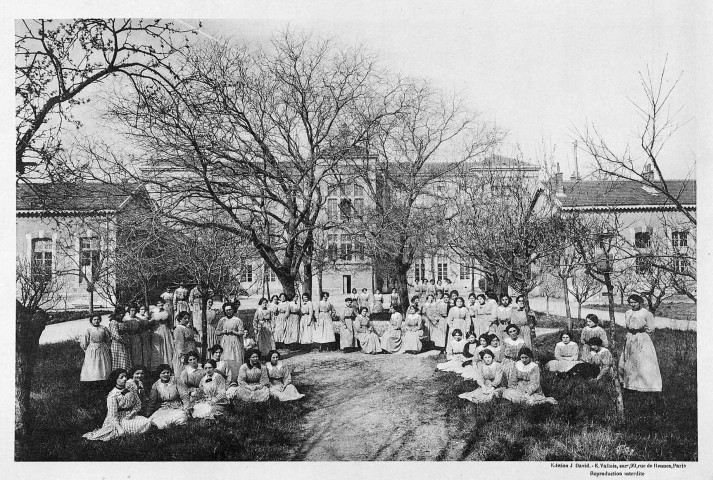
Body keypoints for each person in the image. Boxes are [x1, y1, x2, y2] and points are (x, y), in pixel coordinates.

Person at [83, 369, 152, 441]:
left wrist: (132, 413)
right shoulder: (113, 395)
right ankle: (125, 431)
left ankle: (131, 430)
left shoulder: (130, 388)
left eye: (125, 376)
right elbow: (112, 416)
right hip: (119, 419)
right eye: (121, 377)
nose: (125, 379)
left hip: (131, 415)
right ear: (115, 379)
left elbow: (138, 404)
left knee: (147, 421)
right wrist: (119, 428)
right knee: (138, 425)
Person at [619, 294, 662, 396]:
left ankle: (645, 385)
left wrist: (640, 333)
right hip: (630, 337)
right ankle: (630, 385)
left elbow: (650, 328)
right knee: (629, 361)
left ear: (640, 302)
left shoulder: (646, 313)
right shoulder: (628, 313)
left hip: (641, 338)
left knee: (643, 361)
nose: (633, 304)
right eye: (631, 302)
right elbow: (627, 325)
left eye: (635, 302)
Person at [79, 314, 112, 406]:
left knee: (103, 365)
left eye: (98, 319)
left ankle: (103, 381)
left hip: (102, 348)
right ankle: (93, 381)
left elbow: (108, 339)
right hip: (92, 350)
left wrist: (107, 347)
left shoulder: (104, 328)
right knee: (92, 366)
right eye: (94, 319)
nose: (96, 321)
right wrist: (87, 350)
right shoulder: (88, 330)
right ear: (91, 321)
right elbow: (84, 342)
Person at [147, 364, 189, 429]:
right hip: (163, 407)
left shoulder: (176, 381)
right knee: (158, 422)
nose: (166, 374)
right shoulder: (156, 385)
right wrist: (148, 413)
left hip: (177, 406)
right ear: (159, 374)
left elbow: (184, 395)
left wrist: (186, 408)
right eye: (163, 373)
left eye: (167, 372)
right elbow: (152, 401)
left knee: (180, 418)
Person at [217, 301, 245, 374]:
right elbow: (217, 332)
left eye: (230, 310)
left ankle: (235, 375)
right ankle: (226, 374)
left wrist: (233, 332)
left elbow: (241, 332)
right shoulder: (222, 320)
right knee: (226, 357)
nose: (228, 312)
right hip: (225, 341)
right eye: (226, 310)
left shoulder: (237, 320)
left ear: (233, 310)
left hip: (234, 341)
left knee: (235, 357)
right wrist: (223, 331)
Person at [173, 312, 196, 377]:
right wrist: (182, 356)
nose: (187, 320)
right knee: (182, 372)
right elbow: (179, 343)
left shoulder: (187, 328)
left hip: (190, 352)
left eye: (188, 318)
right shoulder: (179, 329)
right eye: (185, 318)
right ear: (180, 319)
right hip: (183, 354)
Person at [151, 299, 174, 365]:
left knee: (167, 346)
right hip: (156, 330)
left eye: (161, 303)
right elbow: (150, 323)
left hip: (165, 330)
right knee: (158, 348)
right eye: (158, 303)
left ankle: (167, 363)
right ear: (156, 304)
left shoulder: (167, 312)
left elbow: (170, 323)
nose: (160, 304)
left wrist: (171, 331)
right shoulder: (153, 312)